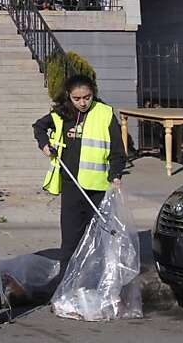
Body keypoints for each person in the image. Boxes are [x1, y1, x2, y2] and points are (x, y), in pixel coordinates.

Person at [33, 74, 125, 268]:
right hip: (72, 186)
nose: (82, 103)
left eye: (87, 97)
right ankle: (66, 284)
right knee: (70, 242)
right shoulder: (61, 114)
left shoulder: (105, 113)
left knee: (99, 240)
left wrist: (116, 174)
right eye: (77, 98)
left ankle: (96, 282)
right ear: (69, 96)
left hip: (98, 188)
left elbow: (118, 151)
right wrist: (44, 145)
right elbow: (39, 127)